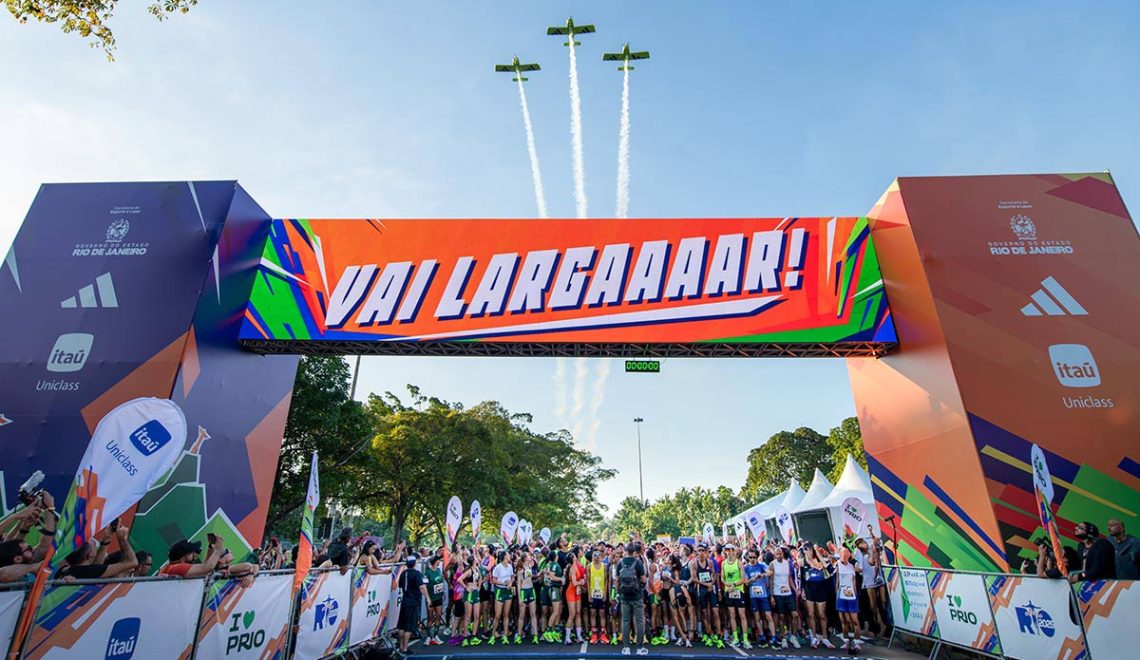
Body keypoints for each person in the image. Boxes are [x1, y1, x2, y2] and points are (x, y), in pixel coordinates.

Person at [59, 524, 138, 579]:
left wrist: (106, 540)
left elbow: (95, 569)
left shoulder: (64, 570)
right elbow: (132, 562)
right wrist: (122, 539)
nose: (96, 547)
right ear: (90, 555)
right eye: (94, 545)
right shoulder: (84, 572)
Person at [616, 542, 648, 656]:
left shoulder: (620, 562)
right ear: (634, 552)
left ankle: (626, 648)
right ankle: (640, 647)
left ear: (625, 551)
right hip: (637, 595)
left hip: (624, 596)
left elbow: (617, 580)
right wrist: (641, 587)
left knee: (625, 620)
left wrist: (618, 592)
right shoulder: (638, 562)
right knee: (639, 621)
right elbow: (643, 579)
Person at [801, 545, 834, 649]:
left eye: (810, 549)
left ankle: (825, 637)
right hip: (809, 589)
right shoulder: (803, 562)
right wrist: (802, 589)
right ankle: (814, 637)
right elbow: (802, 577)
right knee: (811, 614)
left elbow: (827, 567)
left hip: (820, 588)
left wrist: (817, 553)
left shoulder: (818, 559)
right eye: (806, 550)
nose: (809, 552)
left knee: (822, 615)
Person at [396, 556, 429, 656]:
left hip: (405, 600)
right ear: (414, 563)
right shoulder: (416, 573)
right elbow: (422, 586)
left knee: (402, 625)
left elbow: (400, 585)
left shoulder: (403, 573)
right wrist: (428, 598)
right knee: (409, 626)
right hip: (413, 602)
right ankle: (405, 648)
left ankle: (401, 647)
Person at [744, 549, 776, 649]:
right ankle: (762, 637)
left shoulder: (761, 565)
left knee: (768, 616)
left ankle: (774, 637)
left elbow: (770, 572)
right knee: (757, 617)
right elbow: (746, 583)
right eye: (750, 557)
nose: (752, 559)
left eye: (754, 557)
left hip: (763, 595)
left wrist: (762, 575)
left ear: (757, 557)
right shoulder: (746, 568)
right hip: (753, 596)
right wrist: (752, 579)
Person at [720, 544, 750, 648]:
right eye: (726, 550)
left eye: (729, 550)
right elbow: (722, 577)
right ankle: (736, 637)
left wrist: (733, 585)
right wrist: (726, 583)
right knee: (732, 615)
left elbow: (743, 579)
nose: (727, 552)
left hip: (738, 591)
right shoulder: (724, 563)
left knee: (742, 615)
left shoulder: (739, 563)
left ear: (733, 551)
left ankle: (745, 639)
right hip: (728, 591)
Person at [836, 548, 862, 654]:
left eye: (846, 553)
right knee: (843, 620)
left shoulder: (852, 566)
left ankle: (857, 642)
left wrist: (855, 594)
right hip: (841, 595)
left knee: (855, 620)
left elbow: (854, 581)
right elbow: (837, 580)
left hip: (851, 596)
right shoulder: (837, 565)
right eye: (842, 553)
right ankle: (846, 640)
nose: (844, 555)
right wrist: (837, 594)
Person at [161, 534, 225, 578]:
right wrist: (218, 550)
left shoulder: (171, 568)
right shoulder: (176, 568)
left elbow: (204, 569)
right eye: (192, 552)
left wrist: (210, 546)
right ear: (182, 559)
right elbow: (206, 568)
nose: (195, 554)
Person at [489, 550, 514, 644]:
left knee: (506, 614)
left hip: (508, 591)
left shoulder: (510, 566)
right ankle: (493, 634)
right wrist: (504, 583)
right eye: (508, 555)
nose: (509, 556)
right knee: (497, 615)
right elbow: (493, 580)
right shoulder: (498, 567)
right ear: (504, 557)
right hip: (500, 590)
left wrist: (510, 583)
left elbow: (512, 577)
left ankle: (505, 635)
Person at [516, 552, 540, 644]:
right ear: (525, 558)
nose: (530, 557)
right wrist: (519, 598)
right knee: (522, 615)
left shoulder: (529, 567)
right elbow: (519, 584)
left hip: (531, 590)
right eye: (528, 556)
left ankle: (535, 635)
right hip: (524, 591)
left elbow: (531, 577)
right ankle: (519, 635)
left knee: (533, 613)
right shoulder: (520, 570)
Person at [587, 549, 610, 644]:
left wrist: (605, 593)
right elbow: (588, 581)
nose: (596, 557)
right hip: (593, 593)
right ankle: (594, 634)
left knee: (602, 613)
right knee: (593, 613)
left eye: (598, 555)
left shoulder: (604, 566)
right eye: (594, 555)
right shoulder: (589, 566)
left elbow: (606, 581)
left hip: (601, 593)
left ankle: (603, 634)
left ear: (600, 556)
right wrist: (589, 594)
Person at [424, 554, 447, 645]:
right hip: (431, 598)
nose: (439, 562)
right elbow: (424, 586)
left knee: (438, 616)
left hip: (438, 597)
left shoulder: (438, 570)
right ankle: (429, 636)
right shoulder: (427, 572)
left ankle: (436, 635)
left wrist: (443, 592)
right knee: (430, 617)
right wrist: (427, 598)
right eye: (438, 560)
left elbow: (441, 581)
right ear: (435, 561)